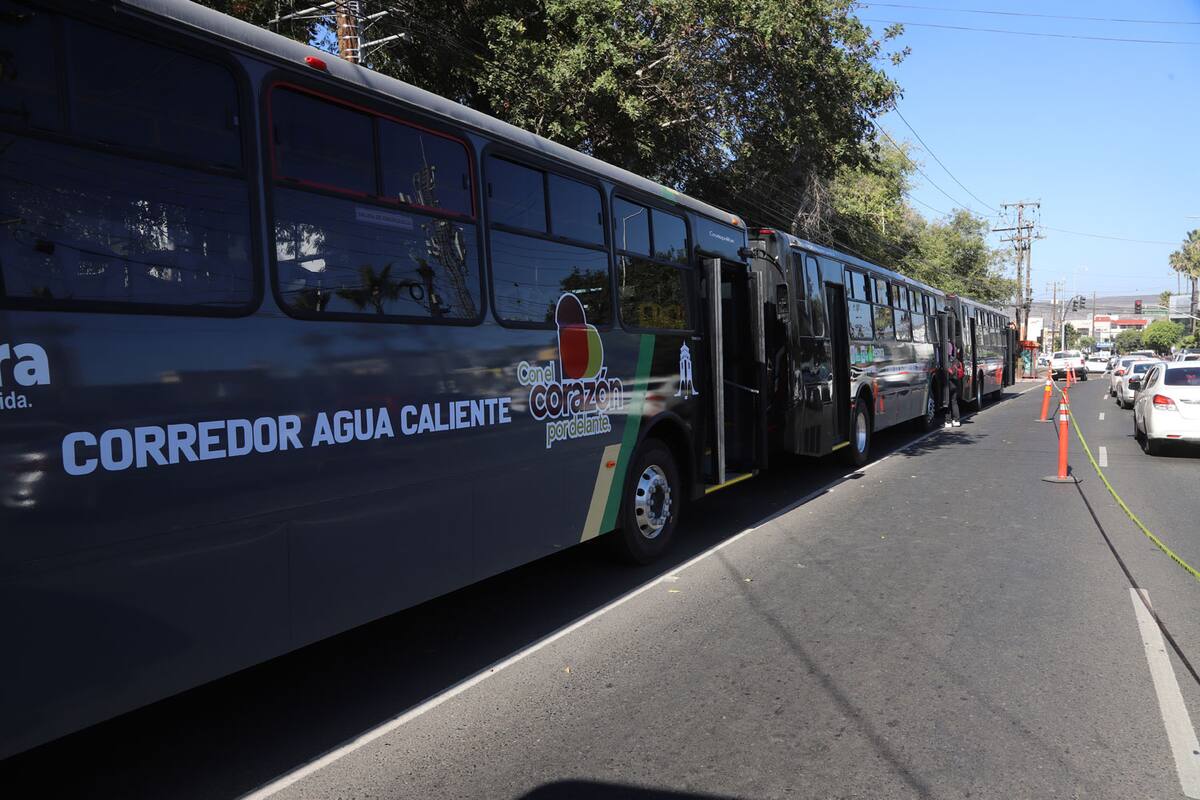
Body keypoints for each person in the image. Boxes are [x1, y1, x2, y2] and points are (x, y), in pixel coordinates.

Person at [945, 341, 963, 428]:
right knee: (954, 402)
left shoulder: (945, 360)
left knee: (947, 402)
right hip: (956, 383)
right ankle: (956, 420)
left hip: (948, 382)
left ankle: (948, 421)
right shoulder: (956, 360)